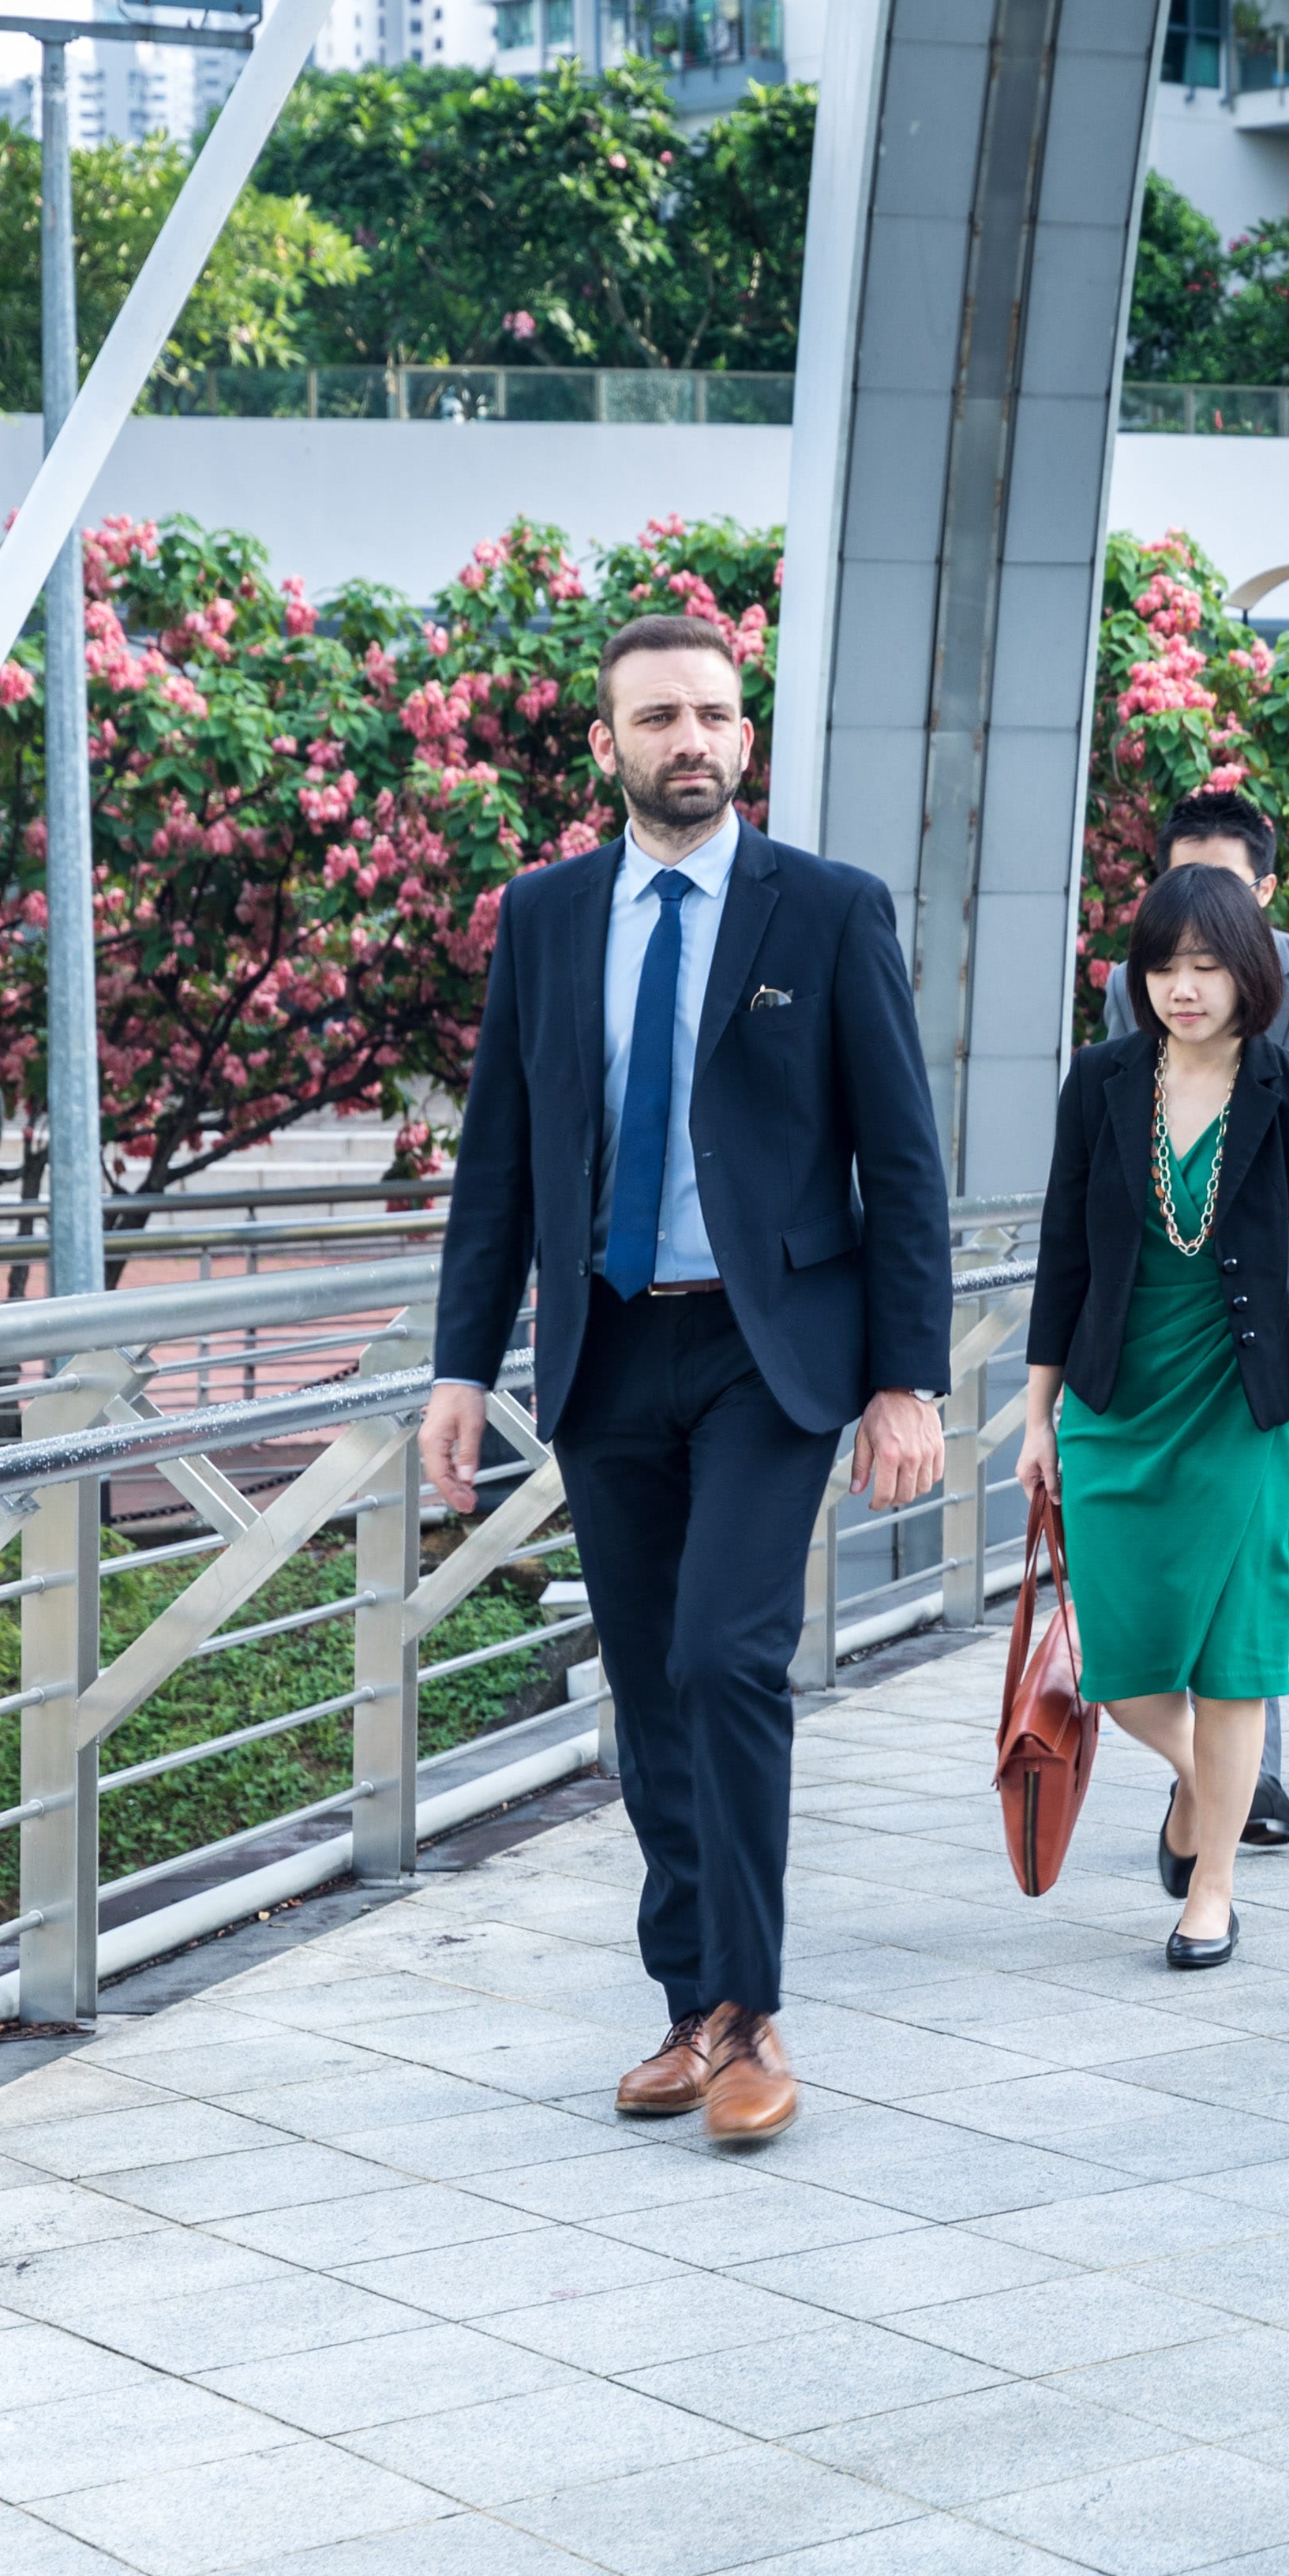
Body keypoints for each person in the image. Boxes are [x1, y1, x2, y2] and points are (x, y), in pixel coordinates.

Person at [423, 613, 950, 2150]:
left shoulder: (827, 911)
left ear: (745, 734)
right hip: (603, 1341)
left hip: (763, 1347)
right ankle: (688, 2007)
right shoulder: (545, 917)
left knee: (727, 1655)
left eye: (715, 713)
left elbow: (902, 1161)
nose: (693, 739)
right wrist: (465, 1360)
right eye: (659, 715)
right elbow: (500, 1162)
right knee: (648, 1681)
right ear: (608, 744)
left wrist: (904, 1379)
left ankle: (754, 2010)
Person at [1022, 864, 1289, 1968]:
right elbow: (1063, 1256)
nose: (1183, 986)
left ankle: (1210, 1886)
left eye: (1208, 966)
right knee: (1120, 1668)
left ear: (1248, 971)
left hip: (1239, 1403)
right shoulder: (1102, 1082)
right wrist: (1037, 1418)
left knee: (1233, 1658)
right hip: (1115, 1401)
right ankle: (1198, 1785)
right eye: (1165, 966)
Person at [1101, 784, 1289, 1832]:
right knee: (1222, 1541)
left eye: (1224, 886)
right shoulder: (1133, 988)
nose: (1196, 912)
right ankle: (1249, 1774)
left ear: (1268, 890)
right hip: (1184, 1316)